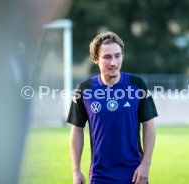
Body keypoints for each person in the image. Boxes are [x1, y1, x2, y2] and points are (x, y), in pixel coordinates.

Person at [67, 31, 158, 184]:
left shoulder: (137, 85)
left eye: (117, 56)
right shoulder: (84, 89)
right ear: (95, 59)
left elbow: (149, 125)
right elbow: (77, 129)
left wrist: (145, 165)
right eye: (107, 57)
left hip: (135, 175)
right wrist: (76, 171)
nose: (114, 63)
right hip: (100, 176)